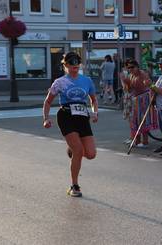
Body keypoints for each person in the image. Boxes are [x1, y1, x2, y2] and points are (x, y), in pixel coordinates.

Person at [43, 51, 98, 197]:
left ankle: (72, 148)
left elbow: (93, 99)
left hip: (82, 116)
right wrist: (46, 118)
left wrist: (95, 112)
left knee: (91, 154)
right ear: (65, 66)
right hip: (66, 115)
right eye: (71, 66)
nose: (75, 68)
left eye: (77, 66)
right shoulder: (60, 82)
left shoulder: (87, 81)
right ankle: (74, 185)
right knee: (79, 151)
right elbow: (48, 101)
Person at [121, 59, 157, 147]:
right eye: (129, 67)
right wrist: (126, 83)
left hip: (144, 99)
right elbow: (129, 89)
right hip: (135, 99)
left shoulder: (143, 74)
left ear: (137, 67)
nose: (130, 69)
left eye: (132, 67)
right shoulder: (131, 75)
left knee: (143, 120)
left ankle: (145, 142)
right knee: (135, 121)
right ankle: (136, 141)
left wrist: (128, 82)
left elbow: (143, 87)